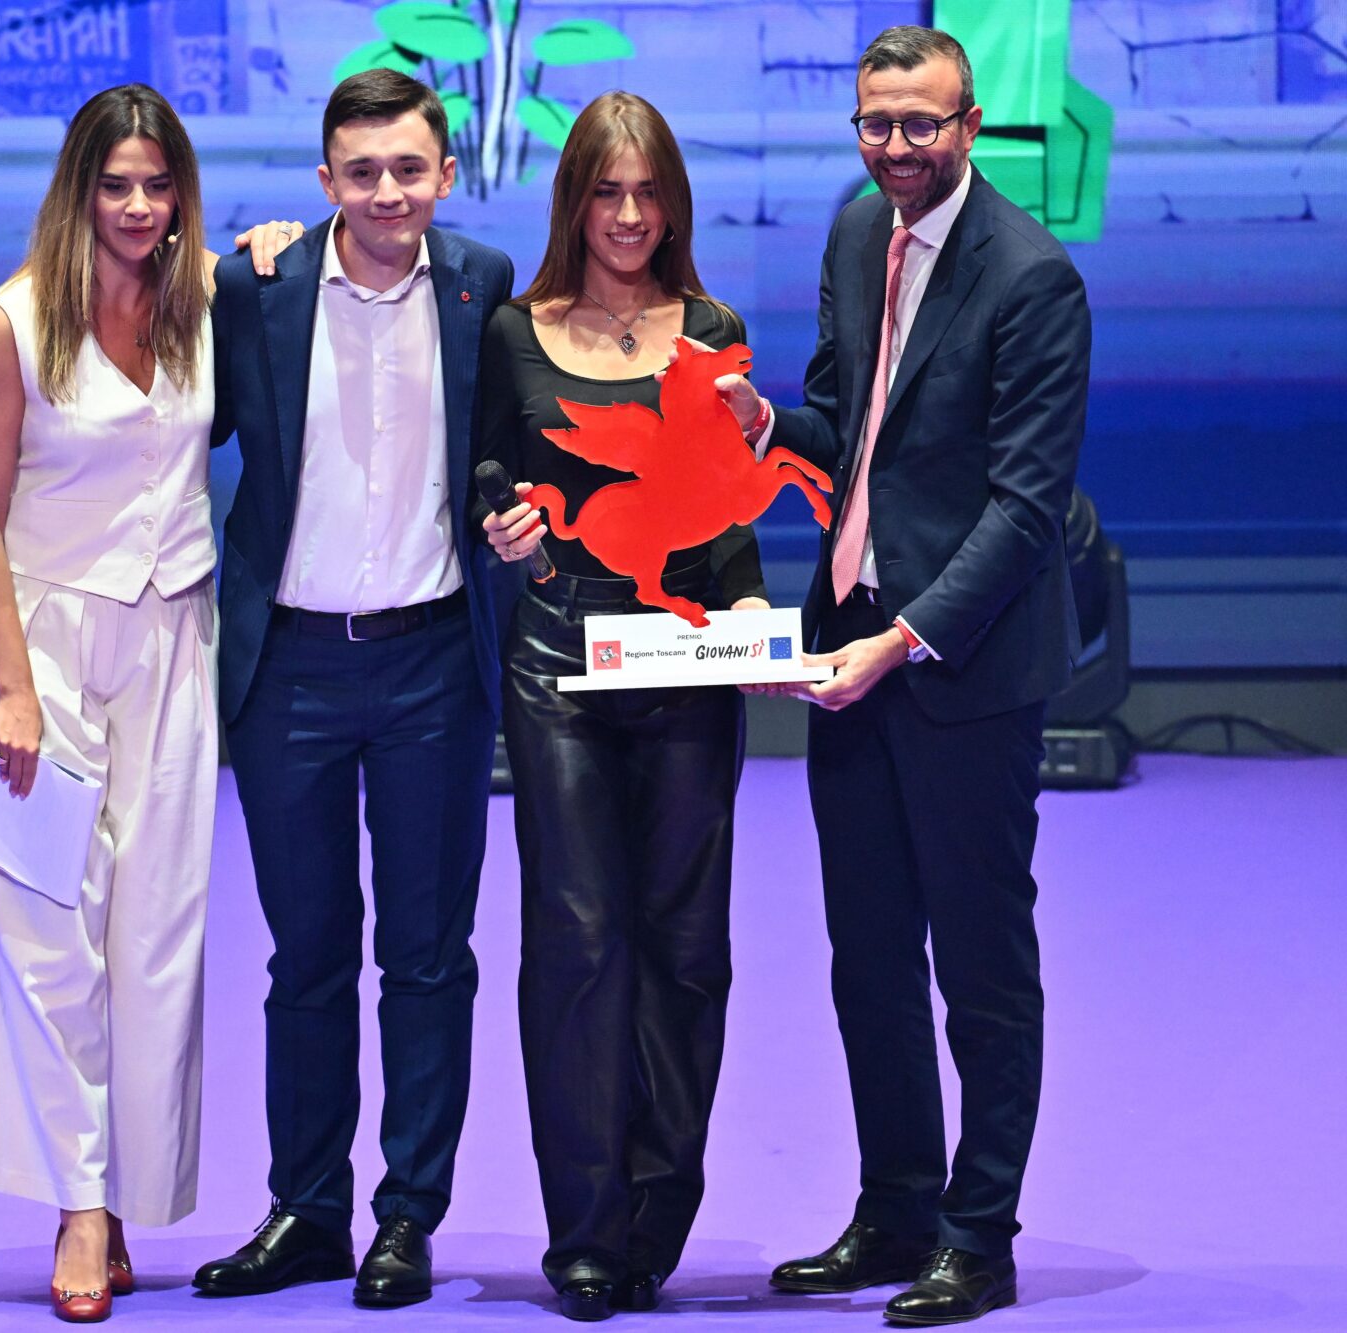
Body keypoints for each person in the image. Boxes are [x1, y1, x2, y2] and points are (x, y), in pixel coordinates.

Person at [716, 26, 1091, 1327]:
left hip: (958, 667)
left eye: (920, 124)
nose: (895, 147)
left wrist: (906, 636)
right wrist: (767, 425)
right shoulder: (849, 232)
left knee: (980, 966)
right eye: (875, 123)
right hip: (847, 640)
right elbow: (849, 431)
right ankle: (895, 1211)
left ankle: (977, 1237)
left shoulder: (1032, 279)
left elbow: (1025, 509)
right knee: (867, 956)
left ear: (969, 126)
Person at [188, 69, 517, 1309]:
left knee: (427, 959)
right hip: (290, 670)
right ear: (325, 180)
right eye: (361, 172)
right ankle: (306, 1209)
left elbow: (513, 450)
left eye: (408, 169)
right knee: (308, 957)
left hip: (435, 665)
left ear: (445, 174)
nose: (386, 192)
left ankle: (407, 1216)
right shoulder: (255, 289)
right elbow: (171, 426)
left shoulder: (483, 286)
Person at [474, 91, 767, 1323]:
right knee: (578, 942)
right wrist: (504, 519)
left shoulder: (713, 330)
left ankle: (657, 1215)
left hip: (687, 655)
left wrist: (750, 619)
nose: (630, 215)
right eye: (607, 191)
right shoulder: (512, 330)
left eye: (648, 192)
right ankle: (586, 1234)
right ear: (573, 201)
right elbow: (488, 466)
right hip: (558, 662)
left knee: (686, 947)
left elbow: (731, 496)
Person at [0, 83, 223, 1325]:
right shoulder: (10, 322)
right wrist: (11, 688)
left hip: (172, 637)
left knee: (156, 935)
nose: (137, 206)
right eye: (115, 184)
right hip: (37, 646)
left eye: (157, 185)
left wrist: (276, 240)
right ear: (77, 189)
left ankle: (127, 1192)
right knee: (47, 932)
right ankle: (76, 1202)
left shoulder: (201, 298)